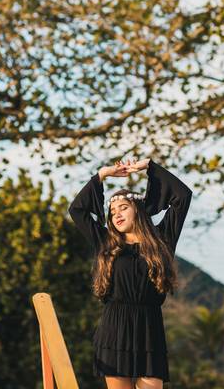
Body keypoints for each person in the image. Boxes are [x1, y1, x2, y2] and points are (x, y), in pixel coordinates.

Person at [68, 157, 193, 389]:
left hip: (149, 327)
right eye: (113, 211)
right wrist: (102, 174)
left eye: (123, 208)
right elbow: (77, 210)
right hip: (115, 328)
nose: (116, 214)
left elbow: (182, 197)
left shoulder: (162, 239)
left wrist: (149, 166)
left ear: (139, 210)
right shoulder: (105, 242)